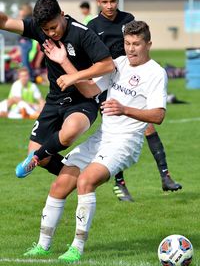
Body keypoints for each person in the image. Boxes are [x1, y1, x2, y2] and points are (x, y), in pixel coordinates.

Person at [22, 20, 167, 263]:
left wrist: (124, 109)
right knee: (61, 184)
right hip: (103, 137)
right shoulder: (119, 63)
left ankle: (76, 248)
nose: (131, 49)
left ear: (148, 44)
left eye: (137, 44)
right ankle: (43, 245)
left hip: (126, 142)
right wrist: (64, 63)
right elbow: (90, 91)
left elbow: (159, 115)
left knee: (86, 181)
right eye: (127, 43)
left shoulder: (156, 73)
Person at [0, 0, 114, 178]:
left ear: (62, 14)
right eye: (46, 30)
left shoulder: (82, 33)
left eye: (54, 27)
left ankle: (40, 159)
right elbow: (5, 21)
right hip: (54, 100)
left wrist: (74, 76)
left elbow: (107, 65)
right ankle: (79, 179)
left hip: (82, 100)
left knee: (70, 131)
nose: (51, 33)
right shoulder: (39, 29)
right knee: (41, 155)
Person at [87, 0, 182, 201]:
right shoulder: (94, 25)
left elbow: (136, 39)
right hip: (111, 81)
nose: (110, 6)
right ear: (98, 2)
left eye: (113, 1)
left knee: (148, 124)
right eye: (105, 2)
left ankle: (165, 176)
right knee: (116, 135)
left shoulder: (128, 18)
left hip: (134, 78)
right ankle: (120, 185)